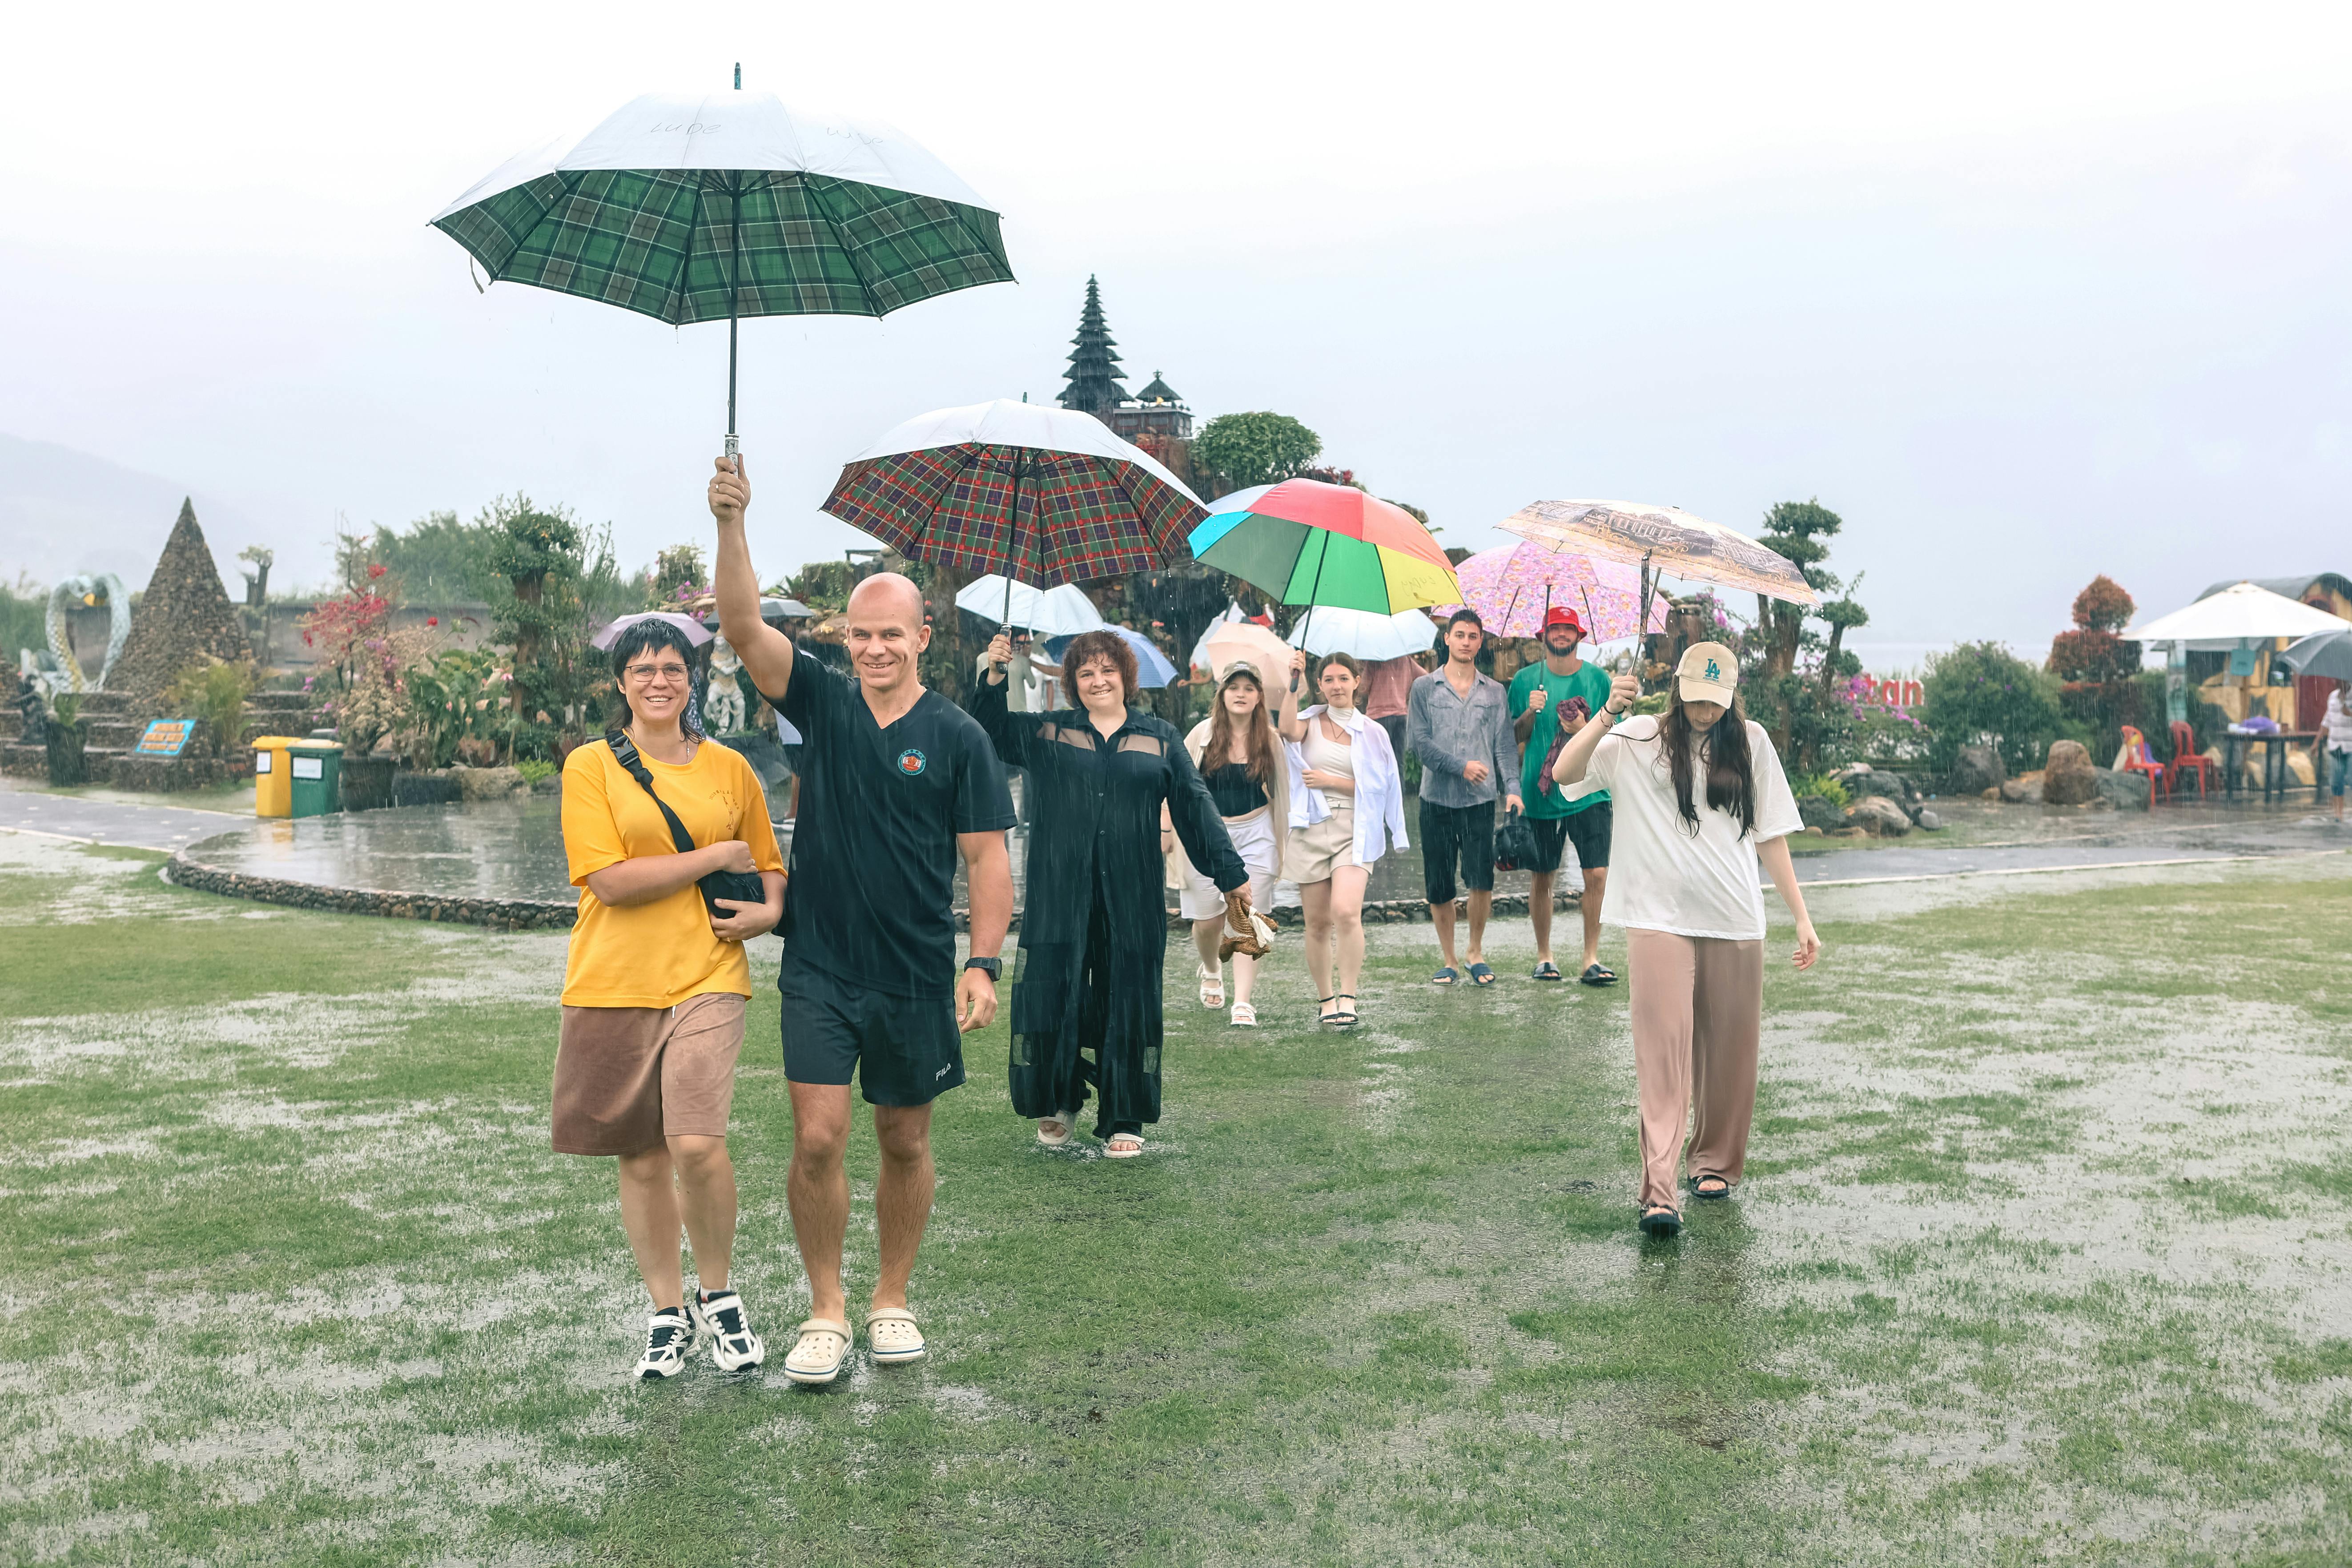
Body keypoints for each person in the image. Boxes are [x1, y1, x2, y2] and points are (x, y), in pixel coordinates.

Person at [709, 454, 1017, 1387]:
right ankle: (826, 1308)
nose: (874, 648)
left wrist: (983, 963)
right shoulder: (822, 701)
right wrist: (731, 521)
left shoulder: (959, 736)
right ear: (843, 638)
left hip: (917, 968)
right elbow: (740, 625)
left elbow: (988, 858)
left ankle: (891, 1298)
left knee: (905, 1138)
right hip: (821, 966)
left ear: (925, 636)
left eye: (891, 633)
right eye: (860, 634)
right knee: (816, 1136)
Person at [555, 613, 787, 1380]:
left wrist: (771, 908)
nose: (659, 681)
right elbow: (612, 882)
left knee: (694, 1141)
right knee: (642, 1156)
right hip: (613, 979)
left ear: (692, 678)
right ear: (620, 682)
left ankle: (718, 1297)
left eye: (673, 669)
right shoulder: (589, 767)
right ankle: (665, 1311)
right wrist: (711, 855)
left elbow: (767, 861)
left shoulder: (729, 768)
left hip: (707, 971)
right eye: (643, 669)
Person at [1551, 642, 1821, 1239]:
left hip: (1734, 915)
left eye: (1715, 702)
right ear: (1675, 689)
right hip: (1657, 916)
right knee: (1662, 1051)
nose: (1705, 712)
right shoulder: (1636, 736)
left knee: (1728, 1051)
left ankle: (1716, 1163)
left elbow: (1771, 832)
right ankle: (1659, 1190)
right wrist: (1605, 715)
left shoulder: (1750, 741)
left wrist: (1800, 915)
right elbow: (1564, 774)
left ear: (1732, 697)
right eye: (1695, 699)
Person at [973, 628, 1251, 1155]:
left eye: (1107, 670)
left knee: (1130, 994)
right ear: (1073, 683)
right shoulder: (1049, 732)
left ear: (1127, 676)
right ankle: (1060, 1099)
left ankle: (1126, 1113)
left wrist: (1231, 874)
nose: (1098, 680)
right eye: (1086, 672)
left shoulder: (1160, 737)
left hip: (1133, 892)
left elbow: (1194, 807)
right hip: (1060, 888)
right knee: (1055, 991)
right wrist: (994, 673)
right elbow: (987, 731)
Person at [1278, 651, 1408, 1026]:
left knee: (1346, 912)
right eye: (1328, 680)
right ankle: (1326, 1000)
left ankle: (1349, 997)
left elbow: (1382, 788)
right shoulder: (1308, 721)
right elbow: (1286, 730)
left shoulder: (1373, 732)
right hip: (1310, 824)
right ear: (1319, 685)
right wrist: (1293, 682)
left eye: (1343, 679)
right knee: (1316, 923)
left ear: (1357, 681)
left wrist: (1331, 781)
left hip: (1355, 826)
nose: (1336, 686)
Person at [1173, 654, 1299, 1026]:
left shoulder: (1269, 740)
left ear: (1259, 696)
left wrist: (1294, 681)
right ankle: (1211, 967)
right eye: (1233, 687)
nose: (1240, 694)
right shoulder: (1201, 734)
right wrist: (1167, 827)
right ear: (1222, 693)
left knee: (1248, 915)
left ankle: (1243, 1001)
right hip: (1206, 835)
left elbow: (1286, 792)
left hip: (1256, 832)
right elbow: (1176, 785)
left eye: (1248, 688)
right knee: (1208, 918)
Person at [1406, 609, 1521, 985]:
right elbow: (1419, 745)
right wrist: (1460, 766)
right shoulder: (1424, 688)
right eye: (1459, 635)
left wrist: (1513, 790)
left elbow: (1504, 746)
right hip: (1435, 800)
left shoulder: (1494, 691)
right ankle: (1450, 959)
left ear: (1480, 641)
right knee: (1439, 884)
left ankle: (1475, 951)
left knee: (1480, 880)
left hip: (1480, 801)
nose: (1466, 642)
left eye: (1473, 636)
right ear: (1447, 639)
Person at [1508, 607, 1617, 985]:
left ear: (1578, 636)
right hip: (1540, 795)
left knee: (1597, 875)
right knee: (1542, 877)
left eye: (1567, 629)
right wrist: (1529, 713)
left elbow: (1612, 737)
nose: (1560, 634)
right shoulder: (1524, 680)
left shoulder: (1597, 679)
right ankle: (1544, 956)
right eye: (1554, 628)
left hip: (1590, 791)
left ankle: (1590, 957)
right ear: (1543, 635)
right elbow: (1511, 738)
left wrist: (1583, 727)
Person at [1362, 651, 1423, 765]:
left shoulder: (1374, 662)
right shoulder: (1406, 660)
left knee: (1377, 762)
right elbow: (1425, 677)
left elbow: (1363, 688)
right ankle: (1399, 784)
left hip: (1378, 718)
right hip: (1401, 716)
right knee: (1398, 762)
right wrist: (1407, 691)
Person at [2325, 683, 2351, 823]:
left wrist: (2350, 713)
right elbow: (2327, 720)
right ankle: (2338, 814)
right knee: (2336, 782)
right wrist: (2317, 742)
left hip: (2351, 745)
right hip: (2335, 745)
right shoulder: (2333, 696)